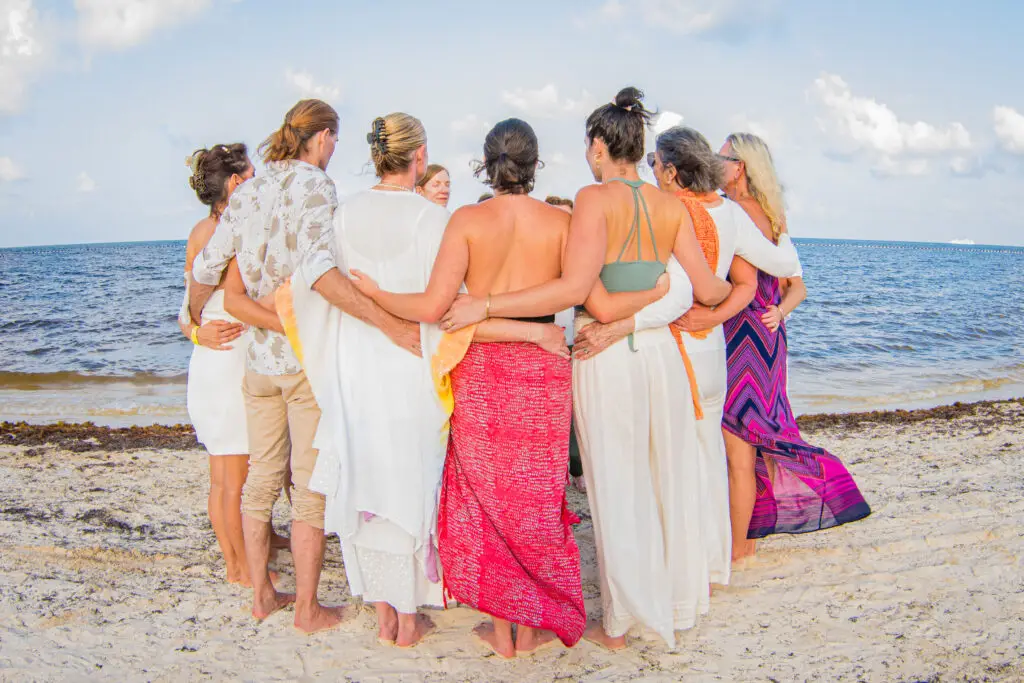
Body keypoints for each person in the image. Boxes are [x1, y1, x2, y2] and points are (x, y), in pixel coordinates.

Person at [438, 88, 733, 650]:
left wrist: (620, 312)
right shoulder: (674, 207)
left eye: (588, 146)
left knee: (615, 487)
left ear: (599, 146)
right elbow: (708, 288)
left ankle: (620, 622)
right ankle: (676, 602)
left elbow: (587, 298)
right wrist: (685, 293)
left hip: (607, 359)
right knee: (666, 476)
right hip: (663, 359)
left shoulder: (593, 199)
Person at [350, 118, 585, 658]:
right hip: (543, 366)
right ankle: (532, 626)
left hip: (481, 368)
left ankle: (501, 629)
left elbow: (434, 308)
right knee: (539, 497)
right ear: (534, 164)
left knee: (488, 499)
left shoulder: (467, 220)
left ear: (487, 164)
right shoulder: (561, 222)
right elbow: (575, 296)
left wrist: (379, 294)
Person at [189, 99, 421, 634]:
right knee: (308, 486)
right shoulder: (317, 187)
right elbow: (320, 272)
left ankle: (262, 594)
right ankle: (308, 609)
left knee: (261, 480)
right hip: (302, 358)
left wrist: (196, 317)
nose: (334, 150)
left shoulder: (247, 192)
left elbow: (208, 266)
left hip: (257, 362)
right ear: (319, 137)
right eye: (333, 140)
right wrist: (387, 324)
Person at [571, 126, 804, 589]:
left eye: (656, 164)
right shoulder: (731, 214)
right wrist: (719, 311)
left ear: (673, 171)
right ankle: (714, 565)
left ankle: (685, 570)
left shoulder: (679, 211)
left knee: (678, 466)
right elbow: (778, 267)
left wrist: (618, 325)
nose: (651, 171)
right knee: (705, 461)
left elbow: (677, 293)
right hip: (713, 353)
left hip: (681, 351)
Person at [265, 113, 457, 647]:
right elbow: (445, 299)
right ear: (419, 156)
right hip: (412, 358)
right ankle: (411, 616)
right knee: (413, 475)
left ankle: (382, 612)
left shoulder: (342, 215)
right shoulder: (433, 218)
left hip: (356, 364)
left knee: (365, 475)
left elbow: (310, 284)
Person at [711, 132, 871, 560]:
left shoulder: (732, 213)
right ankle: (747, 537)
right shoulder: (773, 217)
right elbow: (796, 287)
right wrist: (780, 314)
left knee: (738, 449)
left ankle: (740, 546)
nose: (713, 161)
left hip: (738, 335)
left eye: (720, 156)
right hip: (768, 339)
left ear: (739, 167)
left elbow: (732, 283)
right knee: (754, 442)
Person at [177, 143, 256, 586]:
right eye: (250, 175)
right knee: (233, 479)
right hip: (227, 365)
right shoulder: (228, 234)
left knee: (224, 477)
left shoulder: (197, 231)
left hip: (210, 360)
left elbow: (183, 310)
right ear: (234, 183)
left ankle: (237, 559)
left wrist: (194, 333)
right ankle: (239, 568)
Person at [544, 195, 584, 492]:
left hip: (576, 342)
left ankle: (578, 467)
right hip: (544, 344)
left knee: (577, 410)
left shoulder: (582, 260)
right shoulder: (539, 261)